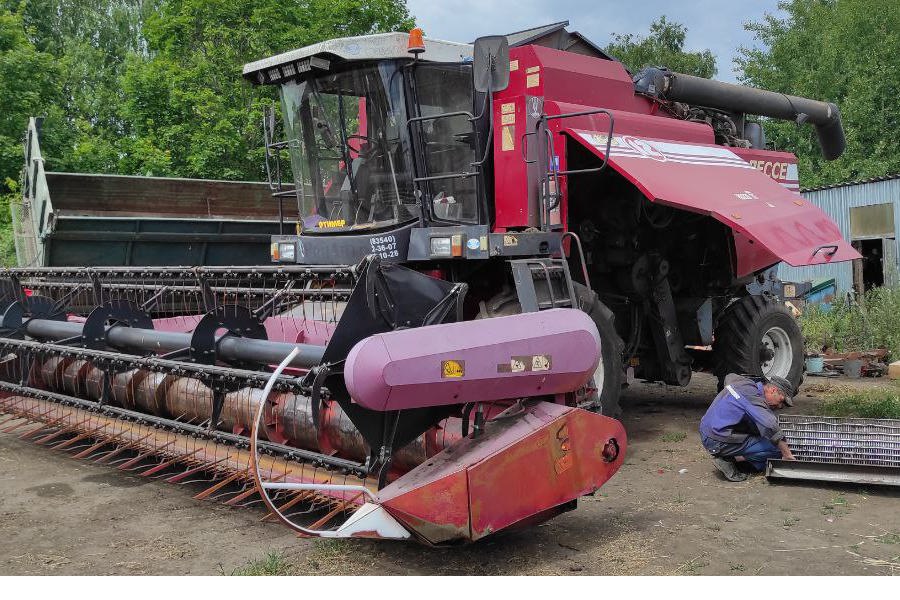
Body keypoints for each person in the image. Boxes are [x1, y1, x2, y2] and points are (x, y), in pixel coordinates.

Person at [699, 373, 796, 481]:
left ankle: (740, 460)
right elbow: (770, 425)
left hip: (708, 431)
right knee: (776, 449)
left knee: (762, 440)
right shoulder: (752, 396)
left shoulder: (745, 384)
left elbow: (729, 376)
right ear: (773, 390)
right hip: (717, 439)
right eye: (781, 401)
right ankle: (730, 459)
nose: (780, 406)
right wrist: (787, 454)